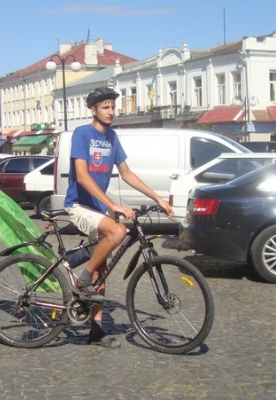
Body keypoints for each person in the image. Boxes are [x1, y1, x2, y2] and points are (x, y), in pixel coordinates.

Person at [64, 87, 174, 348]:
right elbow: (82, 176)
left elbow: (127, 173)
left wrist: (157, 198)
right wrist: (113, 205)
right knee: (118, 232)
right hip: (79, 205)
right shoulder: (83, 134)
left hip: (97, 210)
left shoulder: (112, 137)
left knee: (101, 273)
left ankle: (96, 330)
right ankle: (81, 278)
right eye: (105, 106)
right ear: (93, 110)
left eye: (113, 106)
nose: (111, 111)